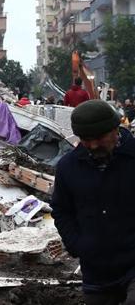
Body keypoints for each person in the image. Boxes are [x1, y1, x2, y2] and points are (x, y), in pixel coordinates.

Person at [52, 100, 135, 305]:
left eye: (99, 137)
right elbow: (62, 210)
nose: (93, 145)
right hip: (97, 271)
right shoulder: (68, 167)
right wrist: (77, 244)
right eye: (86, 139)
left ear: (116, 129)